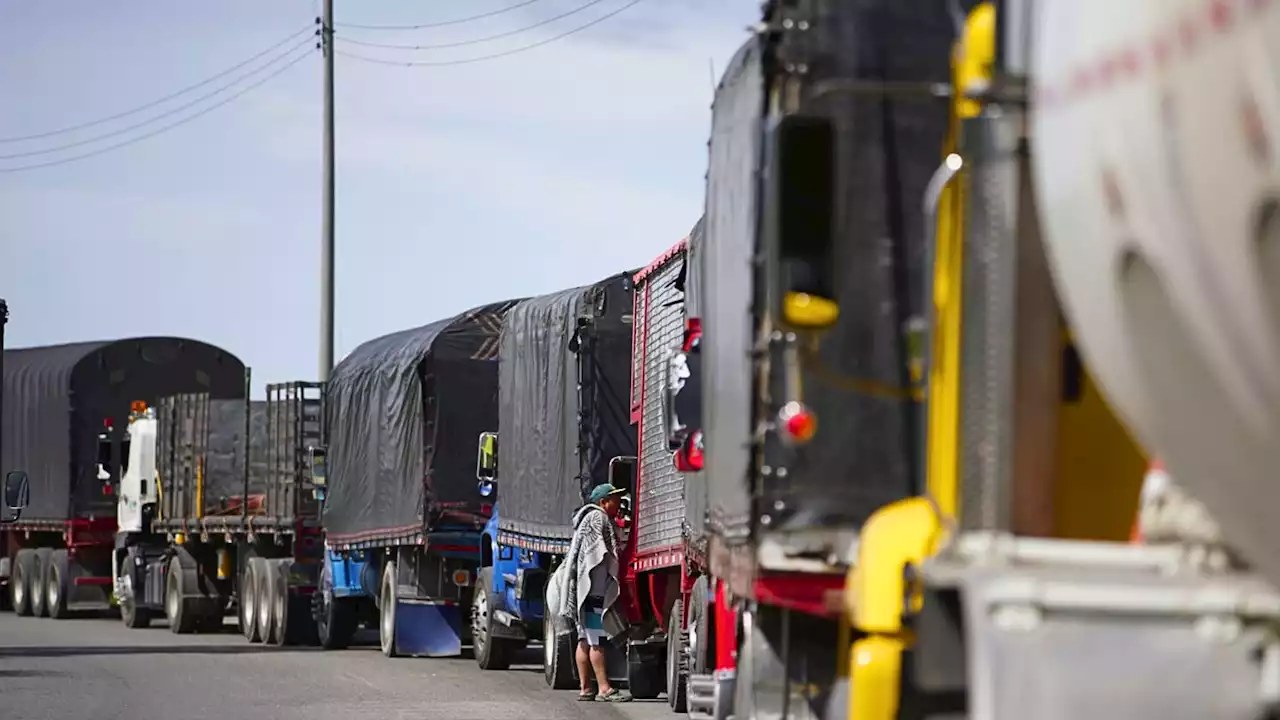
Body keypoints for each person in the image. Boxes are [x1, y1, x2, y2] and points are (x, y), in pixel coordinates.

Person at [550, 482, 631, 703]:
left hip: (584, 592)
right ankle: (604, 688)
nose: (618, 502)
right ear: (603, 502)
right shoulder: (598, 518)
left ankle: (586, 689)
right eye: (614, 499)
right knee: (596, 641)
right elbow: (599, 552)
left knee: (584, 641)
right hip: (592, 592)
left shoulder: (587, 519)